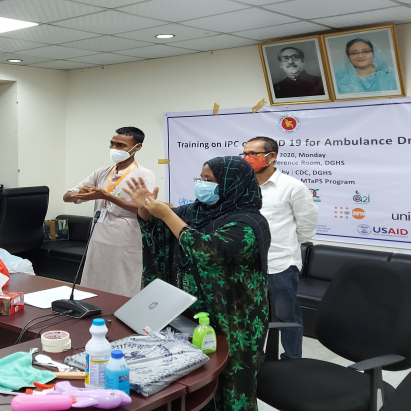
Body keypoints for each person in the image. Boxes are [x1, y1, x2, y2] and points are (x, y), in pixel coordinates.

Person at [126, 156, 270, 411]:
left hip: (232, 318)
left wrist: (167, 214)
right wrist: (145, 210)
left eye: (209, 180)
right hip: (189, 313)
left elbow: (209, 251)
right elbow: (159, 229)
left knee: (230, 380)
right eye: (200, 179)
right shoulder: (195, 211)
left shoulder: (249, 223)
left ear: (232, 185)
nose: (202, 185)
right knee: (191, 379)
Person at [244, 136, 318, 359]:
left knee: (287, 316)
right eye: (245, 153)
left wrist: (282, 243)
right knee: (252, 315)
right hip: (248, 263)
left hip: (280, 263)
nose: (248, 158)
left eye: (253, 154)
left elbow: (306, 227)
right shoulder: (243, 187)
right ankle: (256, 357)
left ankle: (292, 360)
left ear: (271, 156)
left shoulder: (292, 187)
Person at [63, 127, 156, 297]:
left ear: (137, 148)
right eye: (112, 144)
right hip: (98, 237)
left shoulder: (144, 174)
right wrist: (81, 193)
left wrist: (108, 196)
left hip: (124, 238)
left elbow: (145, 210)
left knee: (122, 287)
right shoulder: (102, 173)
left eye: (121, 145)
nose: (114, 149)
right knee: (93, 285)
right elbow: (67, 197)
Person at [333, 37, 398, 94]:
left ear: (374, 53)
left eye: (366, 51)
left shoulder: (392, 75)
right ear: (348, 56)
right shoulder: (338, 78)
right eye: (354, 53)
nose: (360, 56)